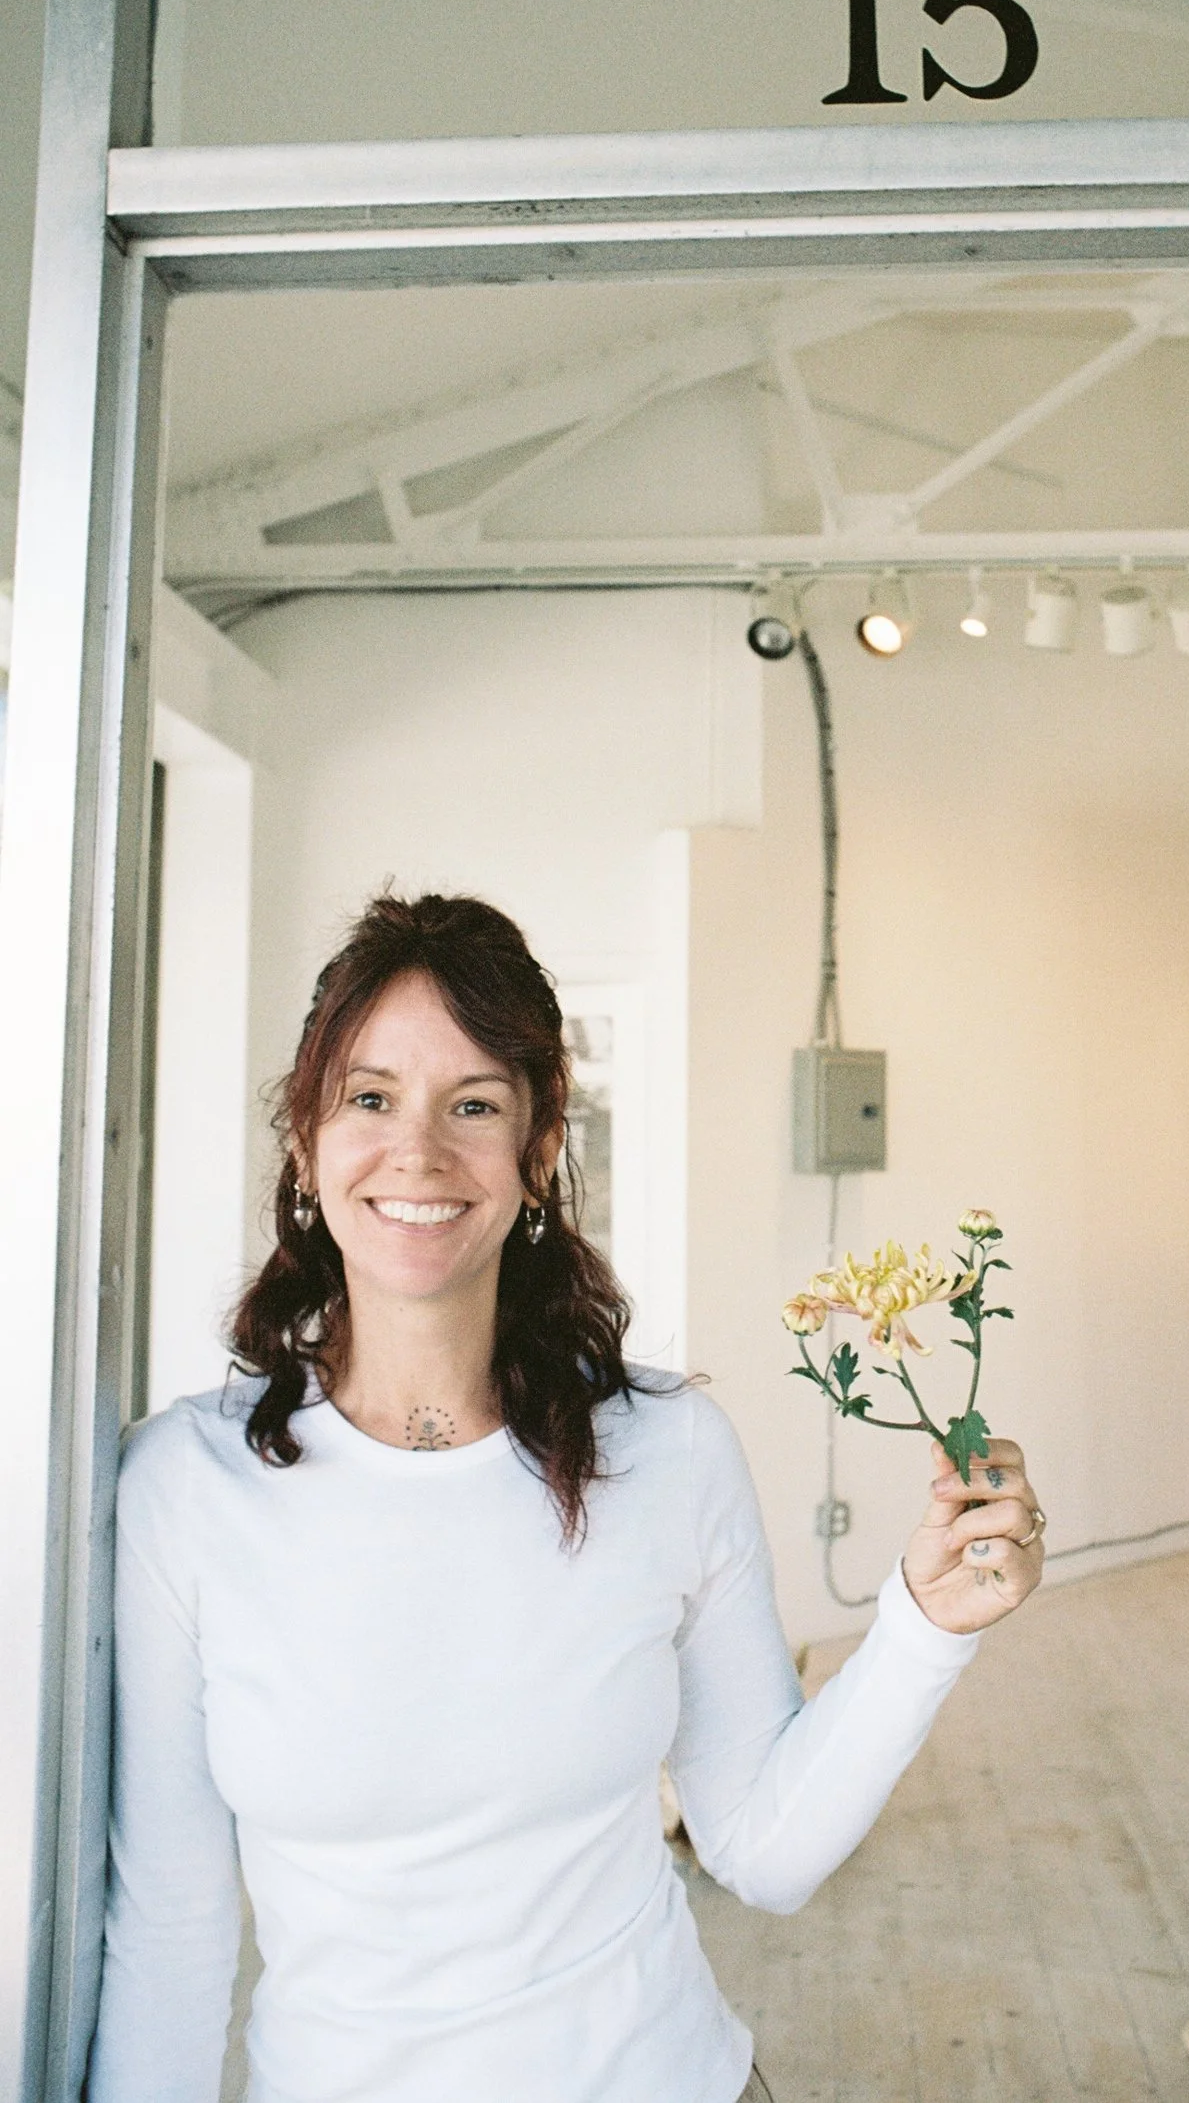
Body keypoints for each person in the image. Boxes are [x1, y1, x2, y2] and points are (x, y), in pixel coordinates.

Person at [89, 892, 1046, 2103]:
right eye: (370, 1097)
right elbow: (170, 1927)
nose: (419, 1151)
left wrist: (921, 1627)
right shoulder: (185, 1485)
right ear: (305, 1143)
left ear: (538, 1153)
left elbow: (762, 1847)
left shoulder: (670, 1451)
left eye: (474, 1104)